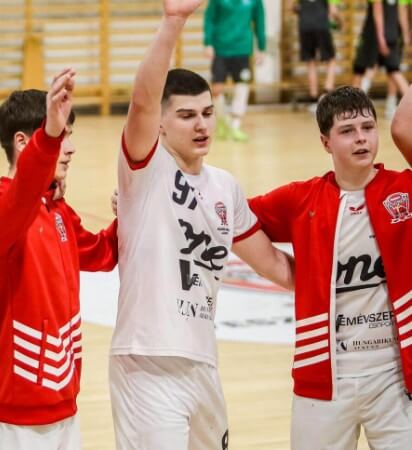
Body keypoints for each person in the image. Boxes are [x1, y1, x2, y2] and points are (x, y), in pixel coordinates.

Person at [112, 1, 295, 448]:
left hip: (203, 362)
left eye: (208, 113)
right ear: (160, 123)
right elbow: (142, 100)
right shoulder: (145, 168)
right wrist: (173, 23)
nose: (202, 125)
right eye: (187, 115)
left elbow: (273, 264)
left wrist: (344, 287)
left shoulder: (225, 187)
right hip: (147, 363)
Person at [249, 86, 412, 449]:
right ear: (326, 143)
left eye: (368, 128)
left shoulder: (405, 190)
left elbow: (403, 125)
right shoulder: (300, 199)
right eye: (347, 131)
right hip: (323, 379)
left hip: (395, 378)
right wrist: (280, 270)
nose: (361, 138)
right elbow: (233, 218)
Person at [0, 68, 120, 447]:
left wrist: (132, 209)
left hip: (65, 404)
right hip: (14, 414)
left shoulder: (57, 210)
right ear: (24, 143)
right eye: (60, 136)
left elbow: (105, 253)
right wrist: (49, 138)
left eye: (68, 135)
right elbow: (20, 197)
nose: (69, 148)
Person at [203, 0, 266, 142]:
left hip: (242, 49)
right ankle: (222, 120)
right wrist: (208, 43)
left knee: (242, 86)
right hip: (221, 48)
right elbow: (209, 18)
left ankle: (236, 125)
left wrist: (261, 48)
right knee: (217, 89)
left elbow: (260, 21)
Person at [351, 0, 410, 111]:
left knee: (376, 69)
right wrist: (406, 35)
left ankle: (356, 103)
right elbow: (402, 13)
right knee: (392, 70)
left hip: (376, 35)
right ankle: (390, 105)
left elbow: (377, 10)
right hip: (393, 34)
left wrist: (381, 37)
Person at [294, 0, 341, 111]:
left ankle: (313, 99)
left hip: (305, 26)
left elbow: (294, 7)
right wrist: (340, 21)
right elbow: (333, 10)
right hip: (321, 24)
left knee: (310, 61)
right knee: (331, 59)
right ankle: (327, 94)